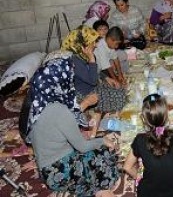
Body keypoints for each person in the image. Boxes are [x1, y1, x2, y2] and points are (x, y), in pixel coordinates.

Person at [25, 54, 120, 197]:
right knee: (104, 152)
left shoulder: (37, 104)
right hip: (61, 171)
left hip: (46, 170)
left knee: (96, 149)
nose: (71, 79)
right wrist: (103, 140)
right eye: (69, 75)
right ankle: (98, 189)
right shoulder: (59, 109)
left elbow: (55, 129)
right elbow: (82, 146)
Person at [61, 26, 127, 137]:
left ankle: (103, 116)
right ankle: (101, 121)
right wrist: (91, 57)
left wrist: (107, 78)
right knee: (118, 96)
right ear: (83, 44)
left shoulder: (81, 55)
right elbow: (92, 80)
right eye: (93, 42)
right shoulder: (74, 60)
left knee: (120, 91)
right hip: (82, 94)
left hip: (91, 86)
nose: (95, 44)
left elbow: (94, 71)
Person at [123, 94, 173, 197]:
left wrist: (138, 176)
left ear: (144, 119)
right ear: (166, 116)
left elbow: (127, 167)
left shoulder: (140, 139)